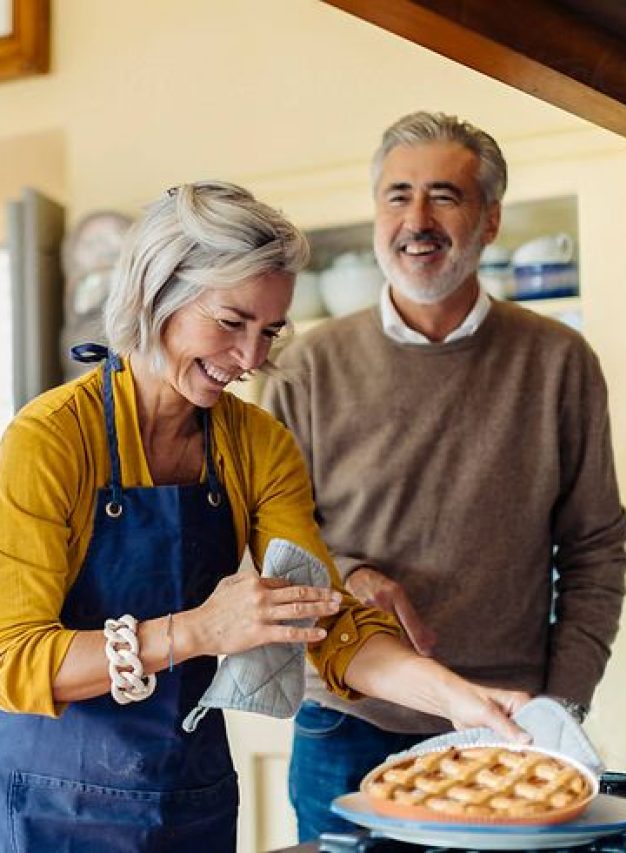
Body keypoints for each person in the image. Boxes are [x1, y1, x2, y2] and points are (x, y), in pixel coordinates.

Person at [0, 180, 531, 851]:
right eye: (231, 322)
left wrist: (457, 699)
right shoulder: (49, 439)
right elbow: (12, 659)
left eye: (269, 330)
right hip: (57, 806)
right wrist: (196, 630)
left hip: (194, 796)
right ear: (157, 292)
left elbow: (322, 616)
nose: (251, 359)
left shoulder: (256, 443)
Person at [262, 112, 626, 841]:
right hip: (344, 723)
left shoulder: (559, 362)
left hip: (509, 727)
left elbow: (595, 551)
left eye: (444, 196)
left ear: (490, 220)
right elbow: (271, 550)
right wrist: (355, 575)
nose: (416, 220)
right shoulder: (306, 366)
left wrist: (560, 703)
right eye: (397, 195)